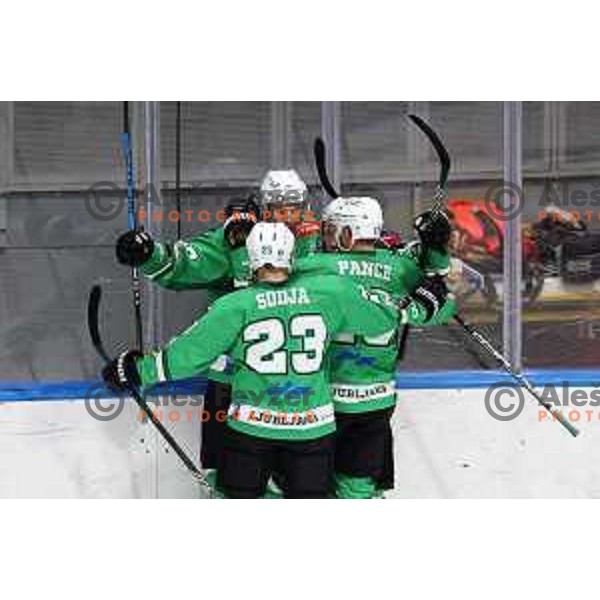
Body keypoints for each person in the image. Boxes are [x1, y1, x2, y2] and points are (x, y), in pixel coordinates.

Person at [103, 222, 405, 498]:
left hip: (251, 431)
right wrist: (419, 298)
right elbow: (384, 318)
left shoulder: (234, 305)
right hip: (314, 430)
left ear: (251, 255)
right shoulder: (330, 292)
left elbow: (186, 356)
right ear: (291, 253)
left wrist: (135, 370)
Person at [114, 170, 321, 473]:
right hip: (235, 385)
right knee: (226, 477)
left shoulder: (321, 240)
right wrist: (149, 254)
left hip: (305, 387)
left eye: (295, 209)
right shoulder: (239, 239)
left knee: (299, 484)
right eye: (279, 210)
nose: (288, 218)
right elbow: (187, 262)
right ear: (264, 208)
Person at [295, 196, 455, 498]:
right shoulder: (401, 269)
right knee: (358, 488)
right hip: (375, 401)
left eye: (330, 231)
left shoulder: (313, 266)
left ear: (347, 234)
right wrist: (436, 255)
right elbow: (445, 304)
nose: (324, 238)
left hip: (318, 400)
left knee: (304, 486)